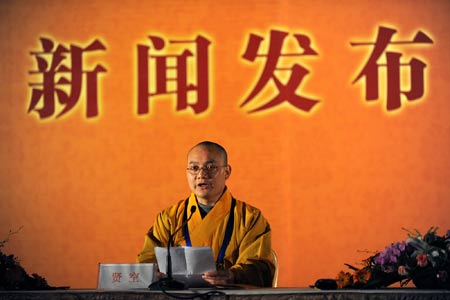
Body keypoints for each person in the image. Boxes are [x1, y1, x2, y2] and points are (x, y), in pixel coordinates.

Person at [137, 141, 275, 287]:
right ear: (186, 173)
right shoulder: (169, 218)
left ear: (227, 172)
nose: (202, 174)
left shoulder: (249, 218)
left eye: (211, 167)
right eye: (194, 168)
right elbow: (148, 260)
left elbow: (261, 267)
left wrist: (232, 275)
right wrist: (155, 273)